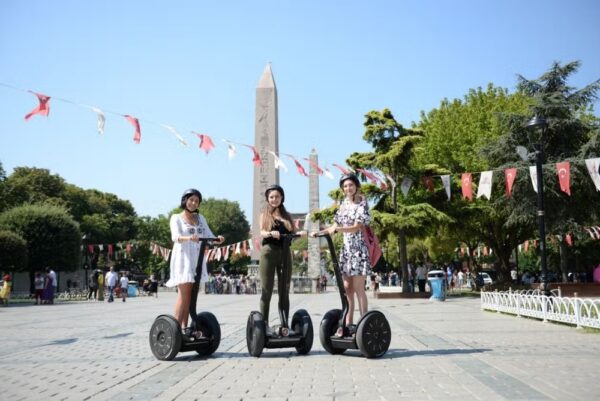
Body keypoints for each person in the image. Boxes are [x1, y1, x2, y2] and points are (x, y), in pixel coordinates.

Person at [311, 174, 371, 337]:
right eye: (345, 186)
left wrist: (337, 230)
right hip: (346, 250)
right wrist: (320, 232)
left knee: (359, 289)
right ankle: (348, 324)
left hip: (358, 250)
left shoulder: (362, 203)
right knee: (347, 289)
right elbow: (335, 224)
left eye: (350, 185)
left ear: (356, 186)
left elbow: (356, 227)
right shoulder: (343, 204)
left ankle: (363, 322)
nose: (348, 188)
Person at [165, 188, 225, 337]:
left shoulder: (201, 218)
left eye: (196, 201)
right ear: (185, 200)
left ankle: (185, 329)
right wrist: (188, 238)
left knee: (192, 296)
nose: (193, 203)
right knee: (184, 295)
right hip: (183, 258)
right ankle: (175, 331)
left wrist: (218, 239)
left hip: (197, 259)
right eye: (190, 199)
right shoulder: (176, 217)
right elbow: (175, 237)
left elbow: (209, 236)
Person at [258, 185, 306, 334]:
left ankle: (285, 323)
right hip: (269, 252)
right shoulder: (264, 214)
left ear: (282, 198)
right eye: (271, 197)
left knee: (284, 290)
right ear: (268, 199)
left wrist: (301, 233)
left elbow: (294, 231)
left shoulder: (287, 216)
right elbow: (262, 231)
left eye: (277, 196)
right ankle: (264, 324)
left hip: (285, 252)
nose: (274, 199)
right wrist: (271, 233)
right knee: (267, 290)